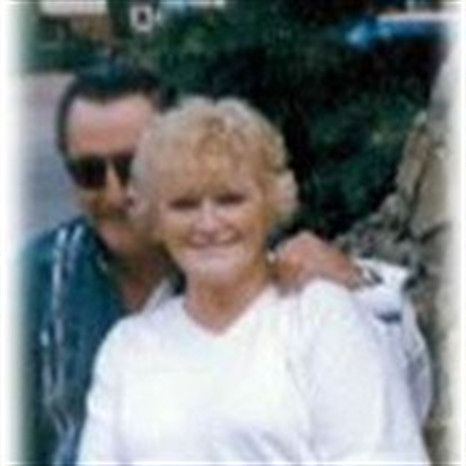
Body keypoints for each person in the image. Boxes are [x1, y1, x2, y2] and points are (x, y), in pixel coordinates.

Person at [22, 61, 430, 466]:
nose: (208, 223)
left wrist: (358, 282)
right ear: (155, 213)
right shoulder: (123, 345)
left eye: (230, 200)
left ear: (269, 205)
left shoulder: (320, 315)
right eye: (184, 204)